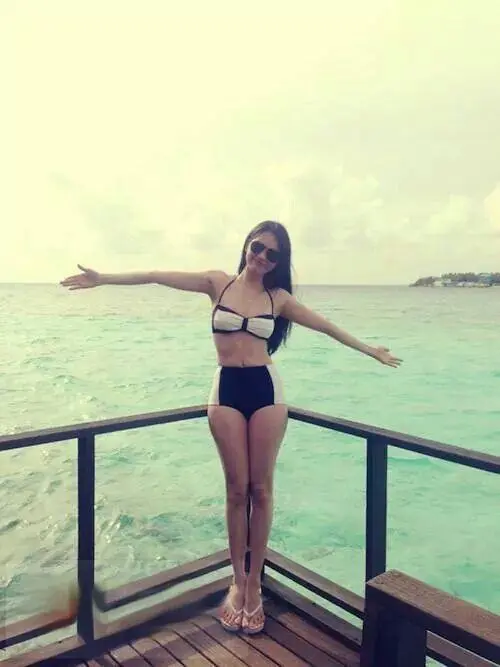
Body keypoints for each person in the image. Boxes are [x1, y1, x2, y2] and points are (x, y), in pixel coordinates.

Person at [60, 220, 402, 634]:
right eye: (258, 247)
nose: (262, 257)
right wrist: (103, 279)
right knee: (236, 490)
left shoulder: (278, 299)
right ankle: (237, 581)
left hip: (266, 391)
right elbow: (155, 275)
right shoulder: (216, 283)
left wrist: (370, 350)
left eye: (272, 254)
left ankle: (255, 583)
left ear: (279, 261)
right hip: (226, 390)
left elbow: (326, 326)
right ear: (246, 246)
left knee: (262, 489)